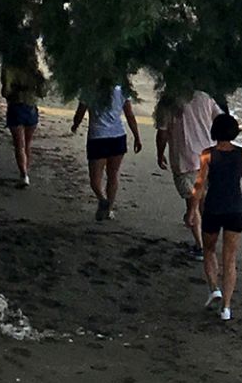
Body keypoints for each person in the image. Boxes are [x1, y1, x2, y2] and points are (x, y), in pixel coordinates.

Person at [188, 113, 242, 322]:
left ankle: (214, 289)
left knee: (208, 249)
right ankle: (226, 307)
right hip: (235, 209)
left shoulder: (207, 155)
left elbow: (199, 185)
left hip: (214, 208)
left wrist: (192, 208)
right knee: (230, 258)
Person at [156, 90, 221, 257]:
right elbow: (220, 120)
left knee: (192, 205)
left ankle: (201, 246)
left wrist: (160, 152)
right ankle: (209, 241)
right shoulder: (205, 97)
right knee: (204, 202)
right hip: (208, 157)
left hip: (184, 159)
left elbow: (162, 132)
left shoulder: (168, 101)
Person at [71, 83, 141, 221]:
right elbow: (129, 115)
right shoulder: (121, 89)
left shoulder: (89, 89)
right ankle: (109, 210)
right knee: (113, 175)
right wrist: (137, 136)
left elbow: (81, 111)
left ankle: (102, 199)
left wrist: (75, 124)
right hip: (118, 136)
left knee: (95, 179)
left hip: (98, 137)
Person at [0, 60, 45, 187]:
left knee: (19, 145)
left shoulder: (10, 69)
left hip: (16, 108)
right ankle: (25, 173)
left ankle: (23, 174)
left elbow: (5, 92)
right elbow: (42, 93)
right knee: (27, 144)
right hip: (31, 108)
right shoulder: (35, 72)